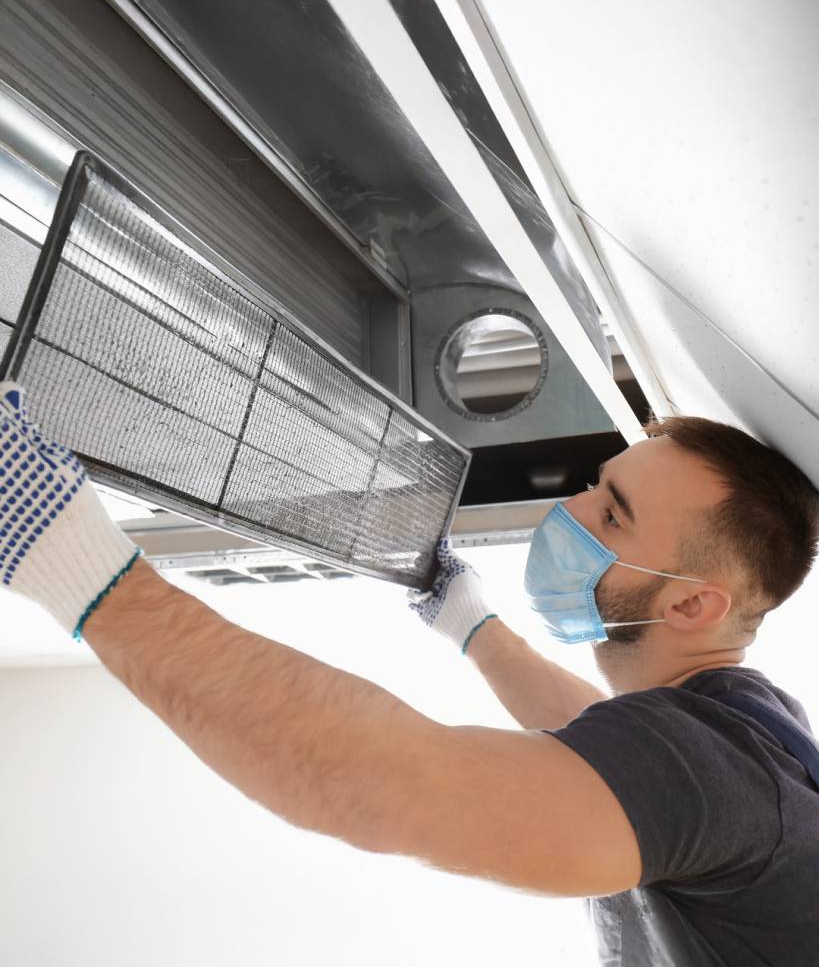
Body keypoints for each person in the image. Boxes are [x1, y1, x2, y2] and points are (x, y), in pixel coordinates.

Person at [1, 380, 818, 966]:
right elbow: (600, 757)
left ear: (688, 608)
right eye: (592, 486)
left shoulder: (723, 773)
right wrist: (470, 624)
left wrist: (77, 568)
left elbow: (376, 780)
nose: (567, 513)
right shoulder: (746, 730)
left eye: (610, 515)